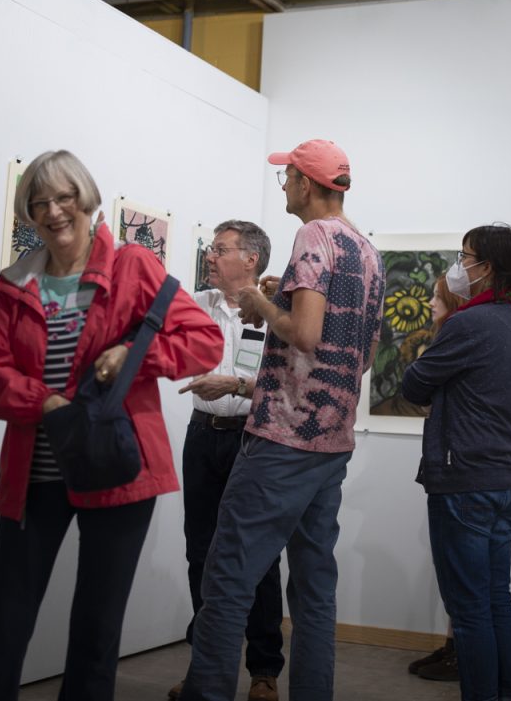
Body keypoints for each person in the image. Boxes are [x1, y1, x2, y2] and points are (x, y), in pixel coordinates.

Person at [0, 150, 223, 701]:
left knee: (96, 629)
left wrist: (134, 353)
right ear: (29, 214)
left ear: (86, 199)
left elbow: (204, 339)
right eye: (40, 202)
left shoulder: (132, 265)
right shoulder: (14, 283)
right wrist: (46, 404)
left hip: (118, 468)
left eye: (65, 197)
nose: (55, 210)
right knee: (5, 623)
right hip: (33, 474)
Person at [179, 139, 386, 701]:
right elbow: (359, 352)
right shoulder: (366, 250)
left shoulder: (313, 236)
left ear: (308, 183)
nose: (286, 186)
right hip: (332, 440)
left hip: (284, 438)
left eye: (288, 176)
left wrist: (262, 305)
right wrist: (282, 297)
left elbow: (308, 336)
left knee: (226, 577)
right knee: (315, 588)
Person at [401, 224, 511, 701]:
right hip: (508, 478)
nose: (458, 267)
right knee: (498, 598)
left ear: (489, 268)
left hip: (466, 481)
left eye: (466, 258)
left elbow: (413, 384)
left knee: (470, 609)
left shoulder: (468, 325)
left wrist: (439, 346)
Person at [171, 220, 284, 701]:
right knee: (201, 553)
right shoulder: (197, 304)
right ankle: (204, 668)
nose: (210, 257)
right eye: (210, 249)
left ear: (251, 259)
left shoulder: (281, 313)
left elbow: (286, 386)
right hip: (202, 438)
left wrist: (236, 385)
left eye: (220, 249)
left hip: (253, 440)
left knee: (256, 557)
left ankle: (264, 672)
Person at [406, 277, 465, 683]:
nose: (429, 302)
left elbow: (415, 386)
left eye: (436, 296)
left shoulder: (459, 336)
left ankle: (460, 652)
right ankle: (452, 647)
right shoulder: (455, 336)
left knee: (459, 568)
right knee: (454, 567)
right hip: (454, 463)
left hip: (457, 468)